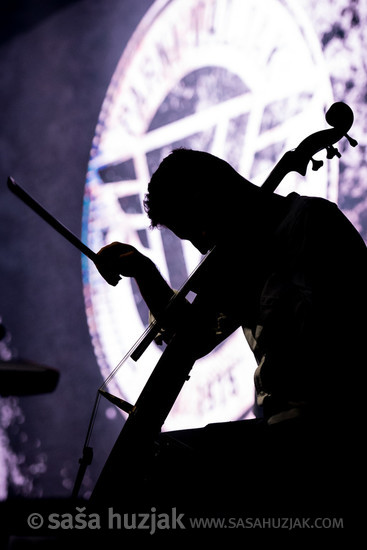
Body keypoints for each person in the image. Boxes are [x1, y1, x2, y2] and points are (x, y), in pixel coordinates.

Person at [95, 148, 366, 517]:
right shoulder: (240, 263)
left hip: (328, 436)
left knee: (164, 468)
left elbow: (340, 339)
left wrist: (251, 272)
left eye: (196, 230)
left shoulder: (312, 223)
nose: (203, 245)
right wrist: (146, 272)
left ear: (207, 197)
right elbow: (192, 337)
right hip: (280, 434)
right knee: (153, 461)